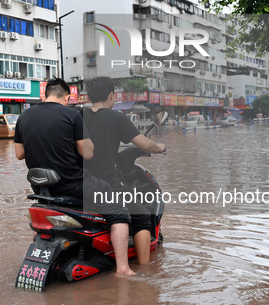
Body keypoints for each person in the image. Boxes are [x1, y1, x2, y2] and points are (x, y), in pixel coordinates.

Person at [14, 78, 136, 276]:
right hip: (73, 184)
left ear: (46, 94)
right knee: (119, 210)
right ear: (67, 97)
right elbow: (87, 153)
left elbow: (20, 154)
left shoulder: (24, 116)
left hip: (41, 189)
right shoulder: (72, 115)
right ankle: (123, 269)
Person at [84, 76, 166, 265]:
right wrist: (160, 147)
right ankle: (145, 269)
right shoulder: (117, 117)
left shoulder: (79, 116)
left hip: (81, 183)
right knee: (143, 217)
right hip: (107, 184)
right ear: (111, 95)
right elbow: (144, 144)